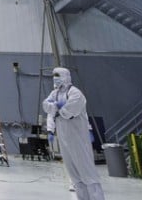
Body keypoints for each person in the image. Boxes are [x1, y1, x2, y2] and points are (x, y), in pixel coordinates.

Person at [43, 67, 105, 200]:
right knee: (74, 175)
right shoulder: (55, 93)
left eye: (58, 75)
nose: (55, 79)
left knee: (87, 172)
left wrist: (56, 108)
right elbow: (46, 106)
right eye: (54, 76)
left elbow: (69, 112)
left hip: (78, 138)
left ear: (65, 76)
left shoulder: (75, 93)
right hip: (64, 139)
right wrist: (56, 111)